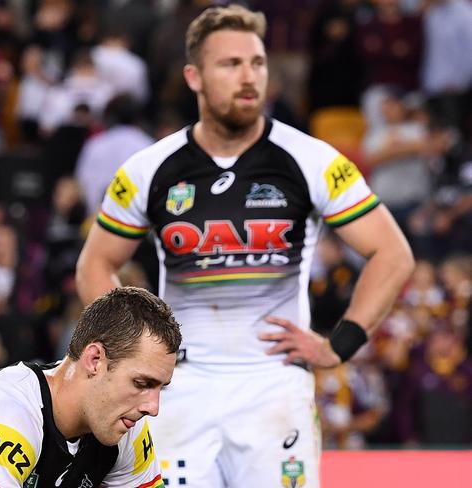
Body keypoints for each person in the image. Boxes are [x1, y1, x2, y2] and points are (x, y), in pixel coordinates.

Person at [76, 5, 415, 487]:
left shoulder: (312, 160)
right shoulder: (148, 169)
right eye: (230, 64)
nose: (248, 76)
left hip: (273, 387)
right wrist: (132, 353)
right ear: (193, 76)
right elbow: (95, 265)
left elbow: (393, 253)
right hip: (179, 388)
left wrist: (340, 345)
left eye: (256, 63)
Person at [0, 287, 181, 488]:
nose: (152, 408)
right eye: (141, 384)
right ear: (94, 360)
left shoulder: (123, 424)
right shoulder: (6, 413)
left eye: (160, 388)